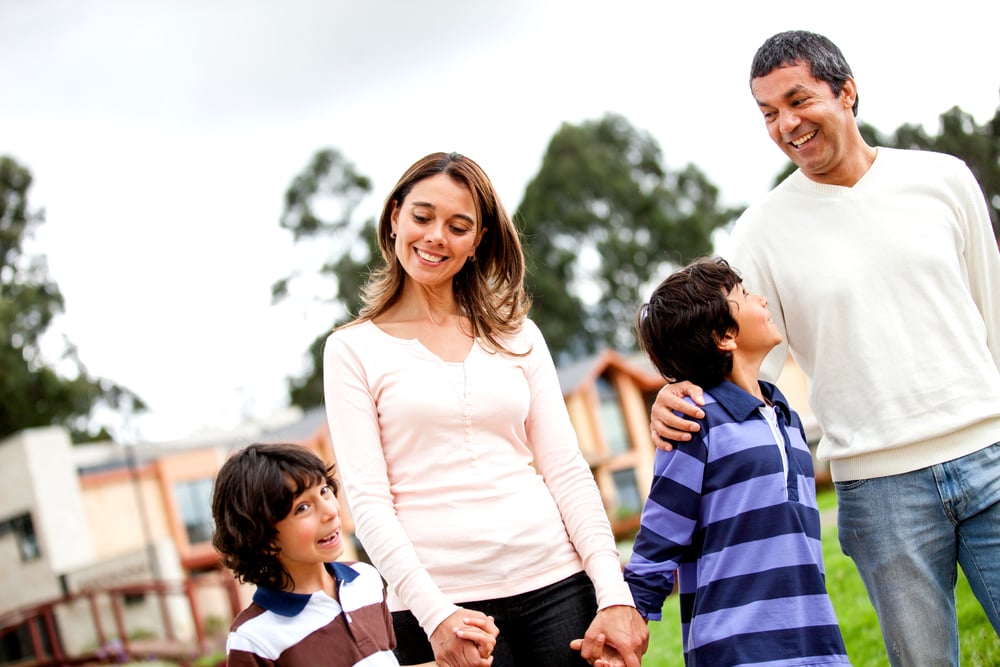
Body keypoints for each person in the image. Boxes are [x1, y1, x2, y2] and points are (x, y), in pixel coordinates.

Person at [650, 30, 1000, 666]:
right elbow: (731, 356)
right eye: (768, 113)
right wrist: (675, 394)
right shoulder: (760, 231)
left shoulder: (943, 179)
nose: (786, 124)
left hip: (990, 455)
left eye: (798, 100)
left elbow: (994, 311)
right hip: (879, 489)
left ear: (847, 91)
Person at [323, 151, 648, 667]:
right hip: (440, 606)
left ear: (477, 242)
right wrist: (435, 616)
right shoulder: (351, 350)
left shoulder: (518, 334)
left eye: (458, 227)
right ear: (395, 217)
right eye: (422, 216)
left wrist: (613, 594)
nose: (436, 237)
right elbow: (368, 502)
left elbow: (566, 469)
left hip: (558, 587)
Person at [625, 257, 850, 666]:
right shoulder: (695, 423)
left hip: (816, 643)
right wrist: (630, 616)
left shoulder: (786, 418)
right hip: (735, 648)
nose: (761, 299)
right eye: (744, 294)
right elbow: (660, 534)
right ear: (725, 335)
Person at [211, 442, 496, 666]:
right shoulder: (253, 637)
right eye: (302, 508)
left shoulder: (365, 580)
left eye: (324, 491)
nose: (330, 511)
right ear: (263, 539)